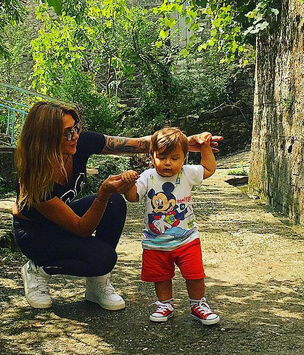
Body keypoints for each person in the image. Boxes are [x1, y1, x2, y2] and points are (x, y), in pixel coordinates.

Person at [12, 101, 221, 311]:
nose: (75, 136)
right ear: (47, 139)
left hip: (61, 220)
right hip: (36, 234)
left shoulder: (80, 143)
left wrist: (183, 142)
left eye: (75, 128)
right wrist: (102, 194)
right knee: (103, 259)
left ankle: (97, 283)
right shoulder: (35, 180)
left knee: (115, 202)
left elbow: (137, 144)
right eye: (67, 133)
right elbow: (82, 229)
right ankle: (38, 268)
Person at [123, 126, 219, 325]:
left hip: (187, 238)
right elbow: (133, 197)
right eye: (162, 157)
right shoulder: (148, 176)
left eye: (175, 158)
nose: (168, 162)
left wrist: (205, 147)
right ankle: (164, 304)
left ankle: (198, 304)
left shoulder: (187, 173)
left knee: (195, 274)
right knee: (161, 276)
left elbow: (208, 169)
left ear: (184, 158)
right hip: (155, 241)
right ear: (152, 156)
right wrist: (127, 184)